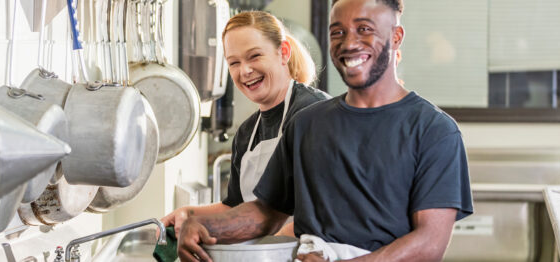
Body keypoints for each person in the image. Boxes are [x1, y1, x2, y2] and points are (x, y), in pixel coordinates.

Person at [177, 0, 474, 261]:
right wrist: (207, 226)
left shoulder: (434, 131)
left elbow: (429, 244)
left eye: (364, 29)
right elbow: (267, 213)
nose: (349, 43)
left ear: (396, 37)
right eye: (338, 32)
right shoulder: (307, 123)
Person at [160, 11, 330, 238]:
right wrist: (189, 214)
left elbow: (320, 211)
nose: (245, 71)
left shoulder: (313, 113)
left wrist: (262, 253)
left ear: (284, 52)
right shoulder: (247, 132)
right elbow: (235, 207)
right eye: (234, 63)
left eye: (254, 56)